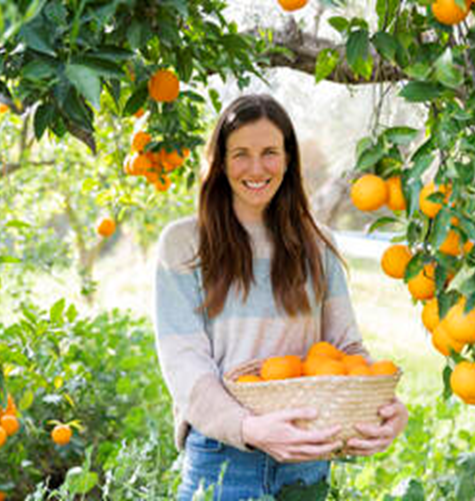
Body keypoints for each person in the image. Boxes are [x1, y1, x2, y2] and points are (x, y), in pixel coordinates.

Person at [153, 94, 408, 501]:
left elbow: (346, 350)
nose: (257, 168)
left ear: (288, 160)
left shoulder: (317, 245)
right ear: (220, 162)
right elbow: (184, 364)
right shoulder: (184, 245)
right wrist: (248, 428)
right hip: (224, 460)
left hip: (304, 460)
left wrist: (385, 406)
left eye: (270, 153)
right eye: (241, 154)